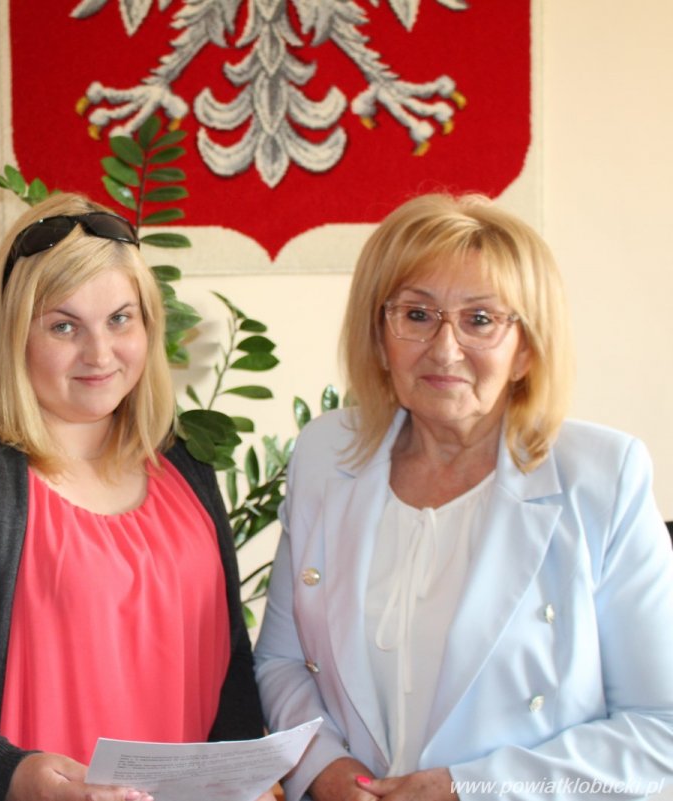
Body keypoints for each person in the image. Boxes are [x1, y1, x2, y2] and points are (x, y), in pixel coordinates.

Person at [0, 192, 265, 801]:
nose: (100, 353)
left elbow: (230, 665)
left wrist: (242, 781)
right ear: (15, 335)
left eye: (121, 319)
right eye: (64, 326)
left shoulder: (184, 463)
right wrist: (9, 775)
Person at [254, 193, 673, 800]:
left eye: (480, 320)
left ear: (525, 349)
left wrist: (472, 789)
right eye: (417, 314)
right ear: (379, 337)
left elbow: (661, 731)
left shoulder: (603, 477)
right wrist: (322, 767)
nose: (444, 349)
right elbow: (282, 663)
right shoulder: (325, 453)